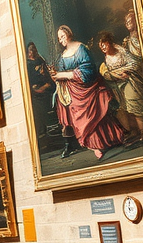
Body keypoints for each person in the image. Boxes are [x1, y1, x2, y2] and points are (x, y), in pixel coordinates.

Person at [48, 25, 125, 160]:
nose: (61, 40)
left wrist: (64, 75)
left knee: (91, 116)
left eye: (63, 36)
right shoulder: (63, 55)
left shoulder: (81, 48)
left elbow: (88, 70)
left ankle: (103, 142)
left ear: (69, 34)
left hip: (87, 88)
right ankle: (94, 147)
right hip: (72, 91)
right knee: (75, 115)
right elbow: (59, 72)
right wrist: (56, 75)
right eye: (59, 38)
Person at [98, 31, 143, 143]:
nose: (102, 47)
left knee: (134, 104)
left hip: (131, 81)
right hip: (118, 85)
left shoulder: (121, 51)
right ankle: (135, 132)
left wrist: (124, 71)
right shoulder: (106, 57)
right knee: (125, 108)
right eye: (100, 46)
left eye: (104, 44)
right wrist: (115, 74)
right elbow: (108, 73)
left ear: (109, 42)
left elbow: (134, 64)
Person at [25, 42, 56, 137]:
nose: (33, 51)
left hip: (46, 87)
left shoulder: (40, 60)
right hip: (36, 91)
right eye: (31, 49)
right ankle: (43, 130)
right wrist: (36, 88)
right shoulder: (28, 64)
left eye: (34, 49)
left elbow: (47, 74)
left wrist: (46, 84)